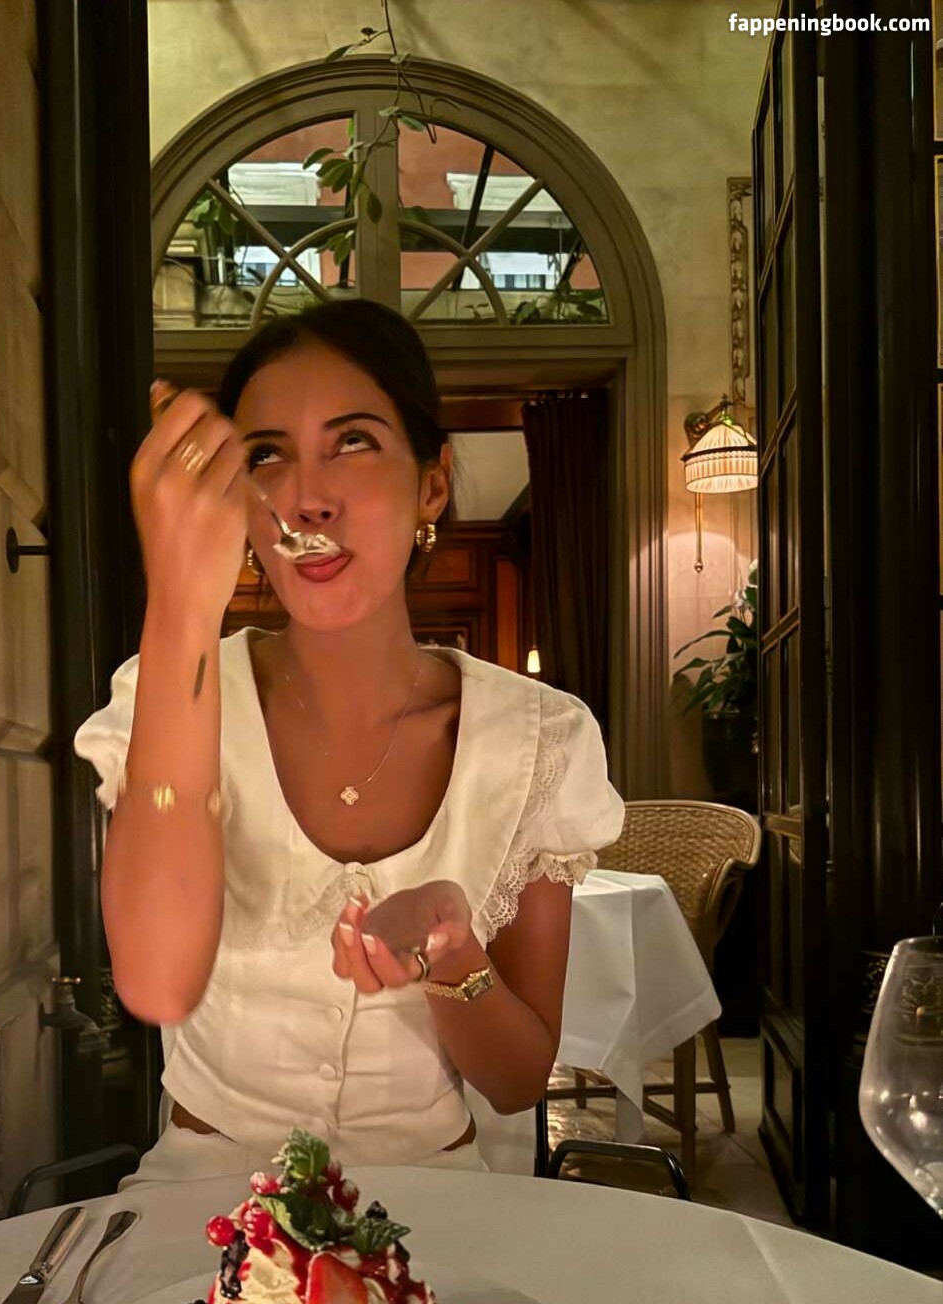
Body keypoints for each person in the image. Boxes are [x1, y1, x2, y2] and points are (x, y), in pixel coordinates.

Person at [74, 299, 624, 1183]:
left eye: (354, 441)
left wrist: (452, 952)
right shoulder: (169, 692)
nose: (307, 496)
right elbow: (157, 983)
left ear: (432, 484)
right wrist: (179, 604)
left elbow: (518, 1081)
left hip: (434, 1207)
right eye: (266, 456)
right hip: (205, 1203)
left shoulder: (537, 740)